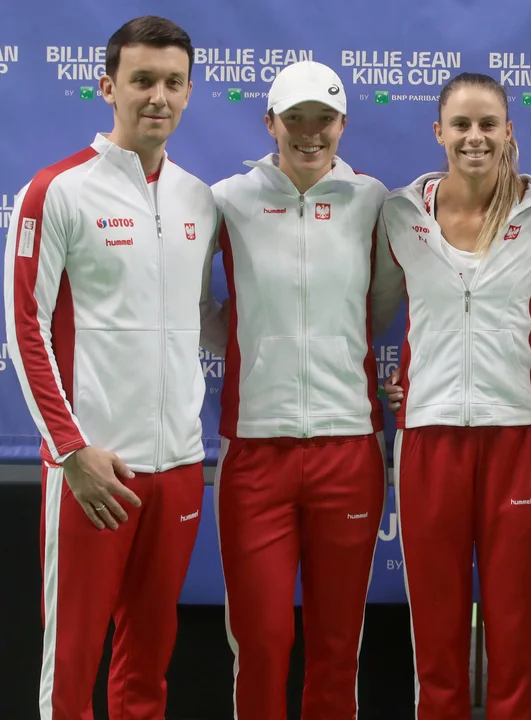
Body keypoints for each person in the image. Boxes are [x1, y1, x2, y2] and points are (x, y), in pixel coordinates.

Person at [3, 16, 216, 719]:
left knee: (147, 668)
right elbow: (25, 328)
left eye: (173, 82)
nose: (159, 96)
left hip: (178, 466)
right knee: (71, 668)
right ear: (107, 86)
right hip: (94, 469)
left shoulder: (198, 198)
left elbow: (203, 316)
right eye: (142, 80)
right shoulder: (57, 190)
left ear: (189, 92)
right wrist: (71, 451)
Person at [199, 61, 389, 719]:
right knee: (262, 641)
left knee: (336, 647)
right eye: (295, 119)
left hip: (349, 449)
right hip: (255, 452)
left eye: (323, 119)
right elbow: (192, 300)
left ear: (343, 124)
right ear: (270, 123)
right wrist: (252, 342)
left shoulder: (372, 201)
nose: (310, 132)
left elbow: (384, 303)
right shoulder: (228, 199)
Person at [372, 72, 531, 719]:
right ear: (439, 132)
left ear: (509, 131)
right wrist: (401, 376)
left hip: (515, 435)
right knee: (437, 627)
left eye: (488, 124)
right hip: (429, 436)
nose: (475, 137)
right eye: (461, 125)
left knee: (514, 625)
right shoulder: (399, 215)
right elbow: (373, 309)